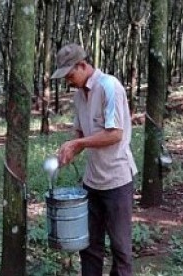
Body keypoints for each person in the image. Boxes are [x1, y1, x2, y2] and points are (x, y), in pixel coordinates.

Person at [51, 43, 137, 276]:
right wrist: (69, 151)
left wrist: (78, 144)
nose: (68, 81)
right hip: (92, 182)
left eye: (70, 75)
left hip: (117, 180)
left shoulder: (109, 86)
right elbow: (80, 135)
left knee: (121, 249)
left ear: (82, 65)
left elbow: (115, 133)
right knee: (89, 246)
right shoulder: (79, 97)